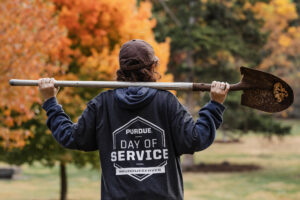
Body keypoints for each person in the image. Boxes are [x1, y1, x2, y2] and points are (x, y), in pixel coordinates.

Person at [39, 39, 230, 200]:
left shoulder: (102, 104)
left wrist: (50, 101)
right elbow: (197, 139)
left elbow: (69, 136)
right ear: (153, 66)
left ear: (121, 69)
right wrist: (215, 104)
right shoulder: (166, 102)